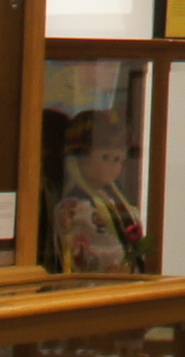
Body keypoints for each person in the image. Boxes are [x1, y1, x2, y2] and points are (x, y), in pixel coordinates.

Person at [53, 109, 146, 274]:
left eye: (119, 159)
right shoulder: (75, 206)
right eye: (105, 157)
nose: (114, 166)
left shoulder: (112, 200)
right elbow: (98, 257)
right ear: (80, 158)